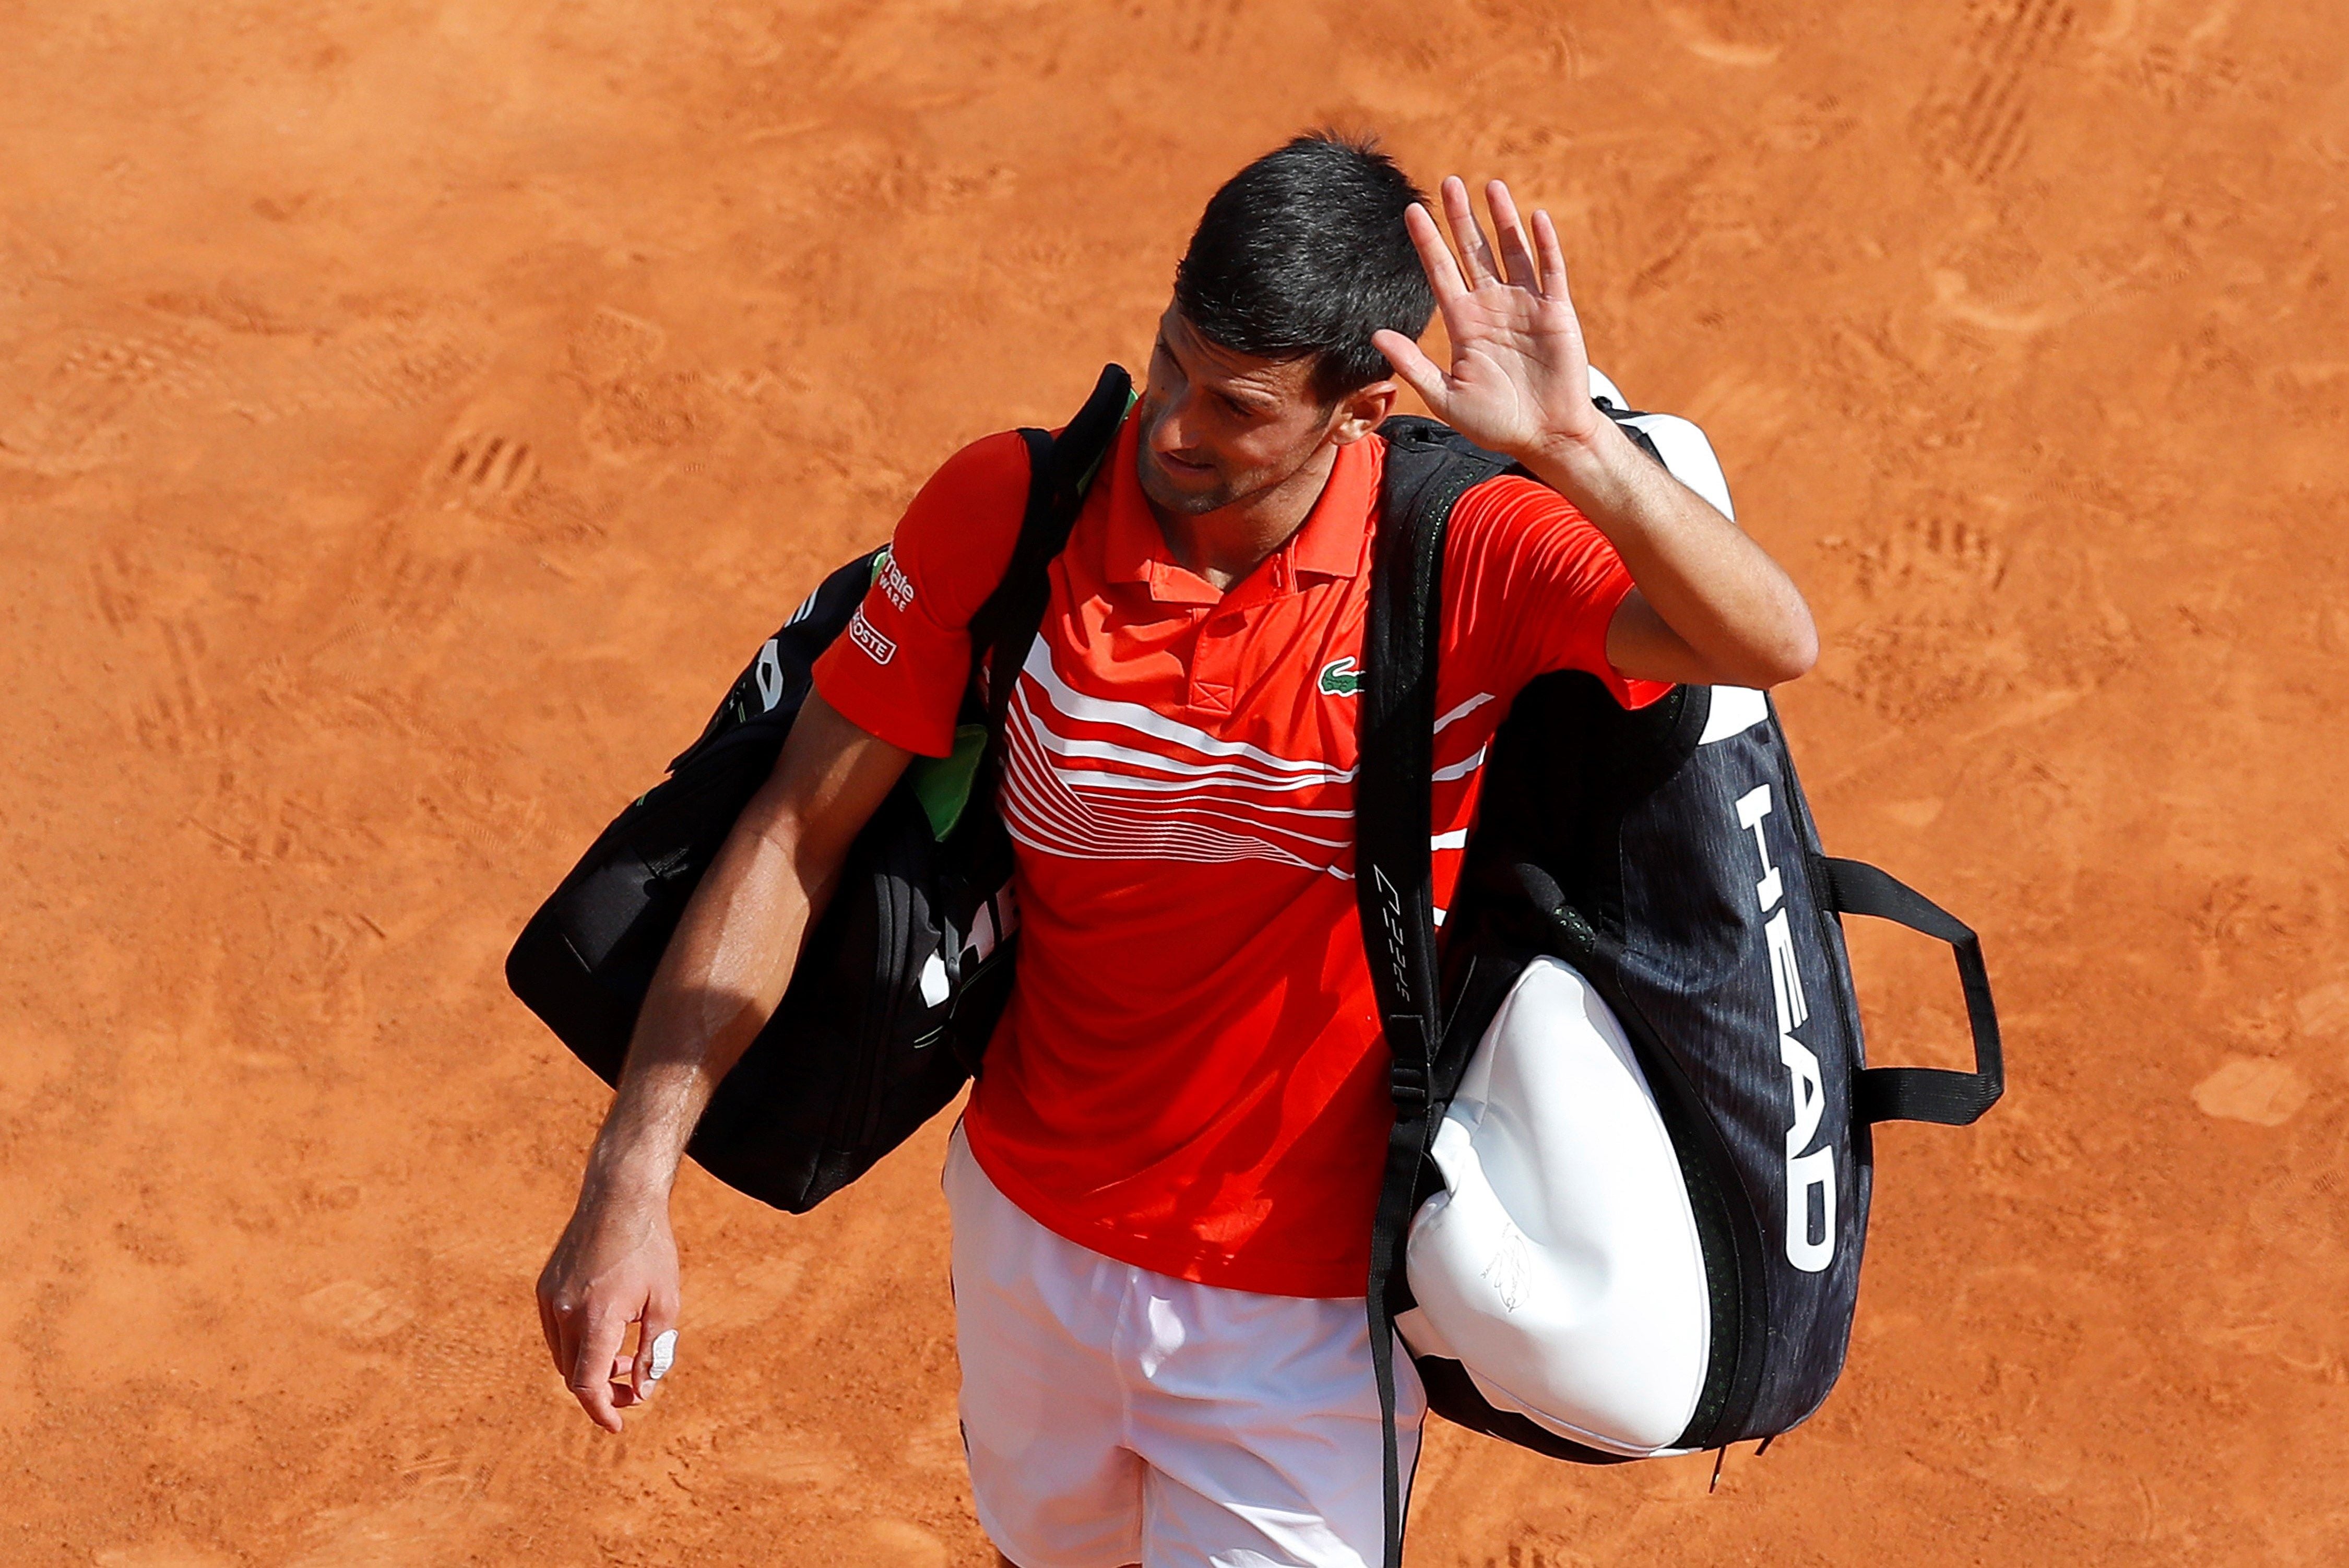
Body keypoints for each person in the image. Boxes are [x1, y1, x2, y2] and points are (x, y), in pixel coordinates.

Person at [535, 132, 1817, 1568]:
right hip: (1026, 1243)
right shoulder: (1011, 512)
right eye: (1170, 362)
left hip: (1299, 1315)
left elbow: (1766, 639)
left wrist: (1577, 445)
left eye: (1238, 405)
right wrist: (628, 1185)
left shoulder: (1464, 559)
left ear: (1362, 407)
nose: (1175, 427)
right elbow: (790, 835)